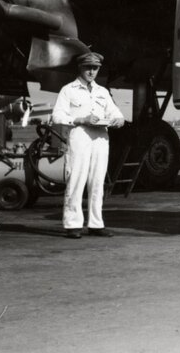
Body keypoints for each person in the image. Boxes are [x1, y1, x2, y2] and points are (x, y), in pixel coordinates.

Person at [51, 51, 125, 238]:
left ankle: (96, 223)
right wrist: (81, 119)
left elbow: (116, 113)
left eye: (95, 68)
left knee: (98, 182)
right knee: (76, 179)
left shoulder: (102, 92)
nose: (91, 72)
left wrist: (118, 120)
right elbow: (57, 115)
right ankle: (72, 224)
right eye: (88, 68)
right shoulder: (69, 90)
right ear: (80, 68)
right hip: (80, 136)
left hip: (100, 138)